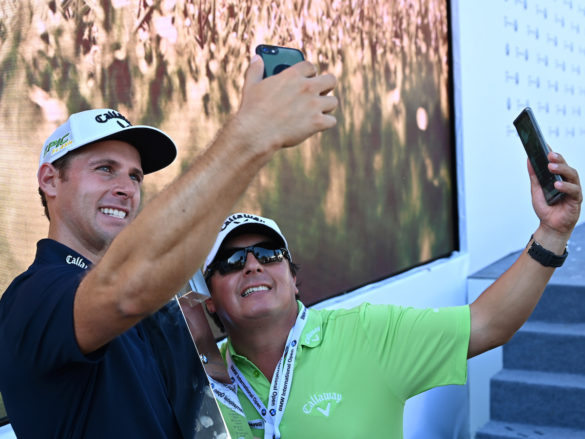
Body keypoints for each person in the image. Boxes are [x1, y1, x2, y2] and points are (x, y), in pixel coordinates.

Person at [0, 53, 337, 439]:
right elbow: (123, 290)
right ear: (50, 180)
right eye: (104, 168)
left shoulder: (155, 312)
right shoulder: (32, 298)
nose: (126, 188)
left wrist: (204, 361)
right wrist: (250, 138)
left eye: (136, 176)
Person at [202, 152, 582, 439]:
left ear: (294, 280)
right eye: (232, 261)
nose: (252, 265)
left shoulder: (367, 332)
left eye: (270, 254)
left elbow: (486, 323)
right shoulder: (201, 380)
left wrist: (551, 234)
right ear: (210, 303)